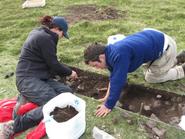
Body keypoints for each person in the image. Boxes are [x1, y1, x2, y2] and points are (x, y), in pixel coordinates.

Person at [0, 15, 78, 138]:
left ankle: (27, 97)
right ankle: (14, 125)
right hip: (27, 79)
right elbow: (54, 64)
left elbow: (49, 63)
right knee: (54, 103)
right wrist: (70, 72)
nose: (62, 37)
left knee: (67, 93)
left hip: (39, 76)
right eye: (63, 34)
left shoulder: (41, 33)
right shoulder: (45, 38)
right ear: (57, 29)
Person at [84, 28, 185, 117]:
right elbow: (114, 76)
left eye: (95, 65)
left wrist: (108, 105)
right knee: (151, 70)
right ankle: (177, 58)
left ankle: (181, 70)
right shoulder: (110, 52)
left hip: (166, 48)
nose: (97, 68)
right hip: (156, 40)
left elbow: (118, 82)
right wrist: (107, 96)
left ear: (101, 57)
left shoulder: (118, 56)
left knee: (151, 78)